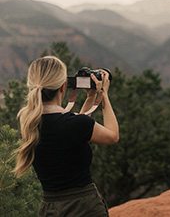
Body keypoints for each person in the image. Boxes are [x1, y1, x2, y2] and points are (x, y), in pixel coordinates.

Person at [13, 56, 119, 216]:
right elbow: (112, 136)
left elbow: (75, 130)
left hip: (49, 208)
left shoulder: (29, 123)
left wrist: (91, 98)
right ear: (63, 87)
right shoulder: (75, 124)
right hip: (84, 207)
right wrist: (103, 95)